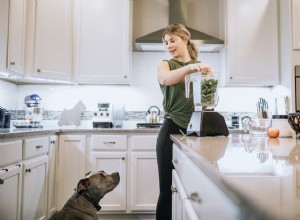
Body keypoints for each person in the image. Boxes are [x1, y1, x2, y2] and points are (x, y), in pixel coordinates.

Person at [155, 23, 212, 220]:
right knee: (166, 191)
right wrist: (190, 67)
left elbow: (207, 99)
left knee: (192, 192)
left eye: (173, 40)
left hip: (196, 133)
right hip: (171, 131)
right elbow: (165, 79)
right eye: (165, 42)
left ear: (185, 38)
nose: (168, 45)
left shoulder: (200, 66)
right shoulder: (166, 64)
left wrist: (208, 81)